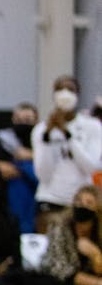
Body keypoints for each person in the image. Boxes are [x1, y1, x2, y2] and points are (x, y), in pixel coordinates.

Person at [33, 75, 101, 234]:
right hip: (50, 199)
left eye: (70, 89)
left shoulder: (92, 126)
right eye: (60, 89)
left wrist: (67, 135)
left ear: (78, 94)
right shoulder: (41, 130)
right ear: (53, 95)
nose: (65, 93)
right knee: (52, 246)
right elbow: (43, 174)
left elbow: (91, 167)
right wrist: (47, 137)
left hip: (82, 201)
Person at [0, 102, 39, 233]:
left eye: (28, 120)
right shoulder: (1, 139)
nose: (23, 123)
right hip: (6, 198)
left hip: (36, 202)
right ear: (13, 119)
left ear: (36, 121)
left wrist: (31, 156)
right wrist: (22, 168)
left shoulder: (41, 141)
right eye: (19, 120)